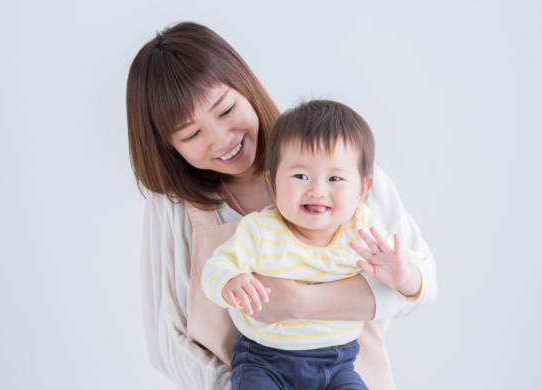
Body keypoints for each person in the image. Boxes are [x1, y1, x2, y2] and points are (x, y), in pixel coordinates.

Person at [126, 21, 437, 390]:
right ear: (168, 147)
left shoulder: (342, 169)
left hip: (347, 373)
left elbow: (420, 287)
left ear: (246, 87)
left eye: (226, 110)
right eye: (191, 134)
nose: (222, 140)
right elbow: (167, 343)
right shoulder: (175, 209)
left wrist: (301, 302)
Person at [201, 100, 425, 389]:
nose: (317, 190)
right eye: (300, 176)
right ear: (273, 182)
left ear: (363, 190)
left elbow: (415, 274)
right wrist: (230, 280)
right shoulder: (260, 230)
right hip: (263, 360)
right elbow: (216, 267)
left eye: (335, 178)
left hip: (336, 363)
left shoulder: (362, 229)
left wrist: (402, 276)